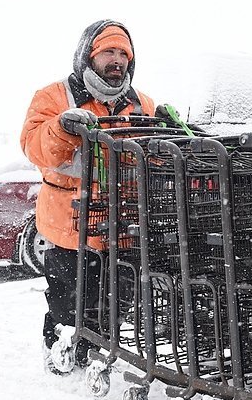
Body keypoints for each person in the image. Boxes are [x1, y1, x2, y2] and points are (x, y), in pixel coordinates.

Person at [20, 20, 156, 373]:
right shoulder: (54, 96)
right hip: (69, 223)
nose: (117, 60)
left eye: (123, 54)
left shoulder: (141, 103)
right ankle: (62, 351)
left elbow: (152, 158)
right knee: (70, 300)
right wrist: (62, 128)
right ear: (89, 56)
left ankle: (97, 352)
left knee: (115, 299)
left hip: (121, 225)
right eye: (108, 52)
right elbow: (36, 149)